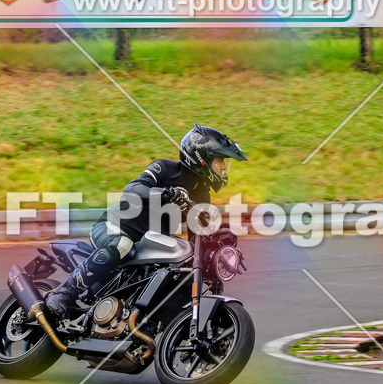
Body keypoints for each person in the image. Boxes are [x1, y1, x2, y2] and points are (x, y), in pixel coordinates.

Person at [45, 124, 246, 318]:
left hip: (147, 246)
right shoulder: (165, 168)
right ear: (202, 158)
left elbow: (196, 242)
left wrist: (219, 241)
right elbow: (133, 188)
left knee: (180, 267)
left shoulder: (202, 195)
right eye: (219, 161)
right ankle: (64, 293)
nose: (222, 168)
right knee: (123, 245)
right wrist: (165, 193)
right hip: (114, 228)